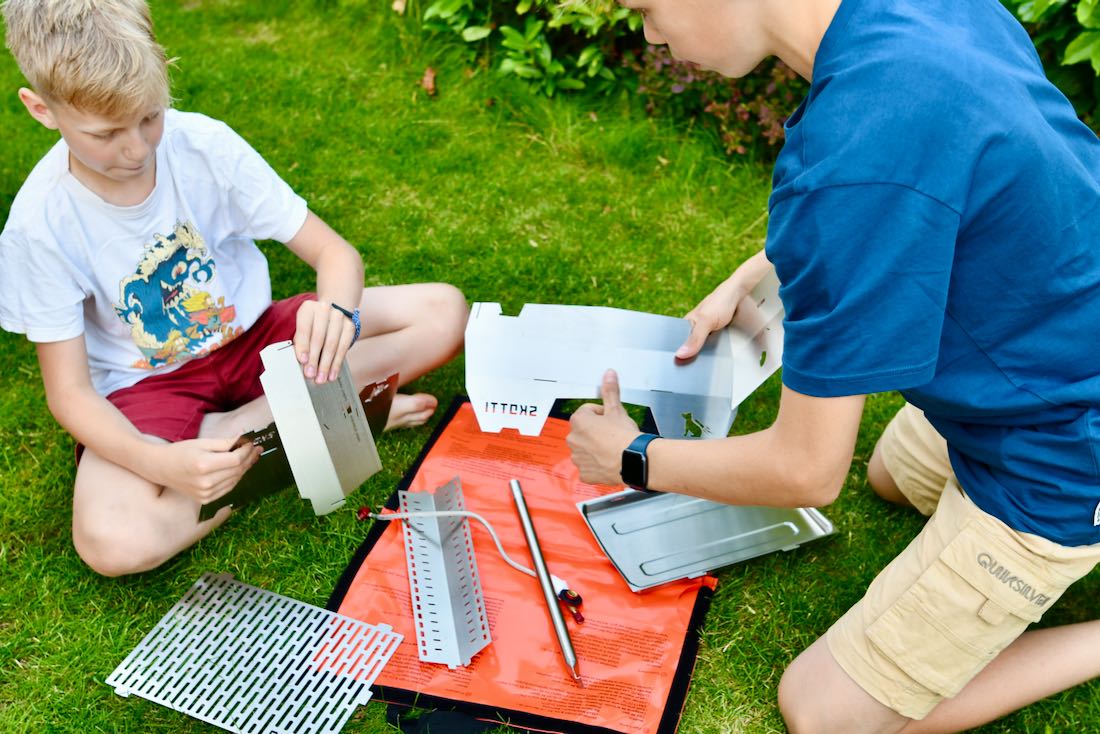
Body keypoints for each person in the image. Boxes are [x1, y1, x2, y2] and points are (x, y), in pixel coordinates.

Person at [566, 0, 1100, 732]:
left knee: (825, 711)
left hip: (1068, 449)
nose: (651, 34)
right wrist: (777, 268)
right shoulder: (925, 16)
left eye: (647, 10)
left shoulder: (850, 160)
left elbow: (805, 472)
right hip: (1052, 352)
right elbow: (921, 189)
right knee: (893, 476)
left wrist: (631, 457)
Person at [0, 0, 468, 578]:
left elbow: (334, 254)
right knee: (110, 542)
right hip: (150, 388)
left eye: (150, 116)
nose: (138, 149)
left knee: (444, 312)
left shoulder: (203, 145)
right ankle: (327, 423)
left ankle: (286, 428)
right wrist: (160, 463)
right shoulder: (39, 225)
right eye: (105, 133)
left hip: (258, 341)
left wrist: (339, 310)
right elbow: (69, 394)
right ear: (41, 108)